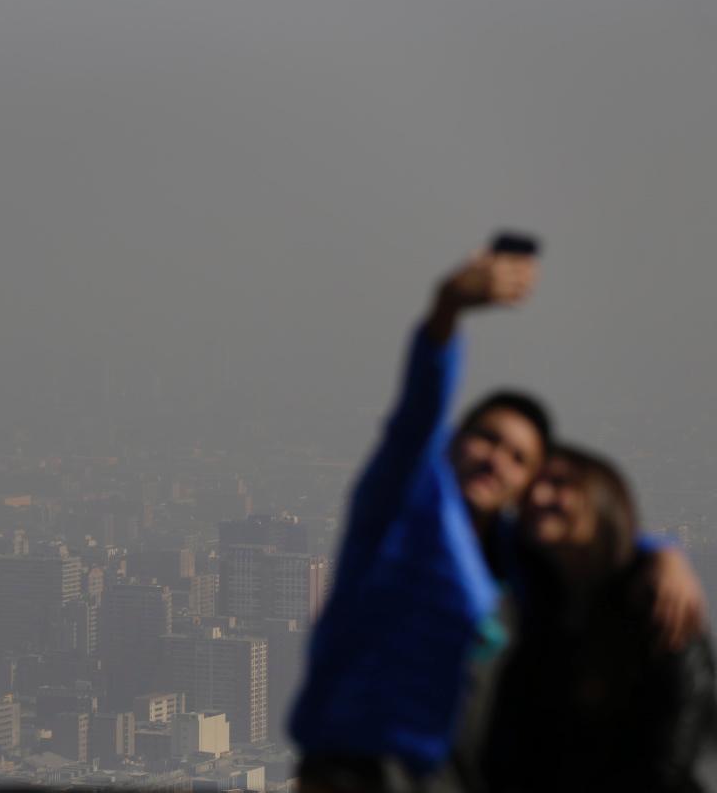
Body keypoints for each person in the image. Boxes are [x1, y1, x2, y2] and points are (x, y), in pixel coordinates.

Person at [289, 250, 705, 792]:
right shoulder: (401, 510)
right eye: (486, 439)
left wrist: (661, 551)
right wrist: (447, 311)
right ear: (455, 442)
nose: (496, 460)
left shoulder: (511, 556)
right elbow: (417, 411)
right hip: (355, 771)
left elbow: (587, 534)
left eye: (518, 459)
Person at [484, 445, 716, 792]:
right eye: (530, 491)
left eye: (561, 483)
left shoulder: (658, 603)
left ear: (601, 496)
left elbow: (672, 755)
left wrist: (666, 553)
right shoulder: (534, 601)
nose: (540, 497)